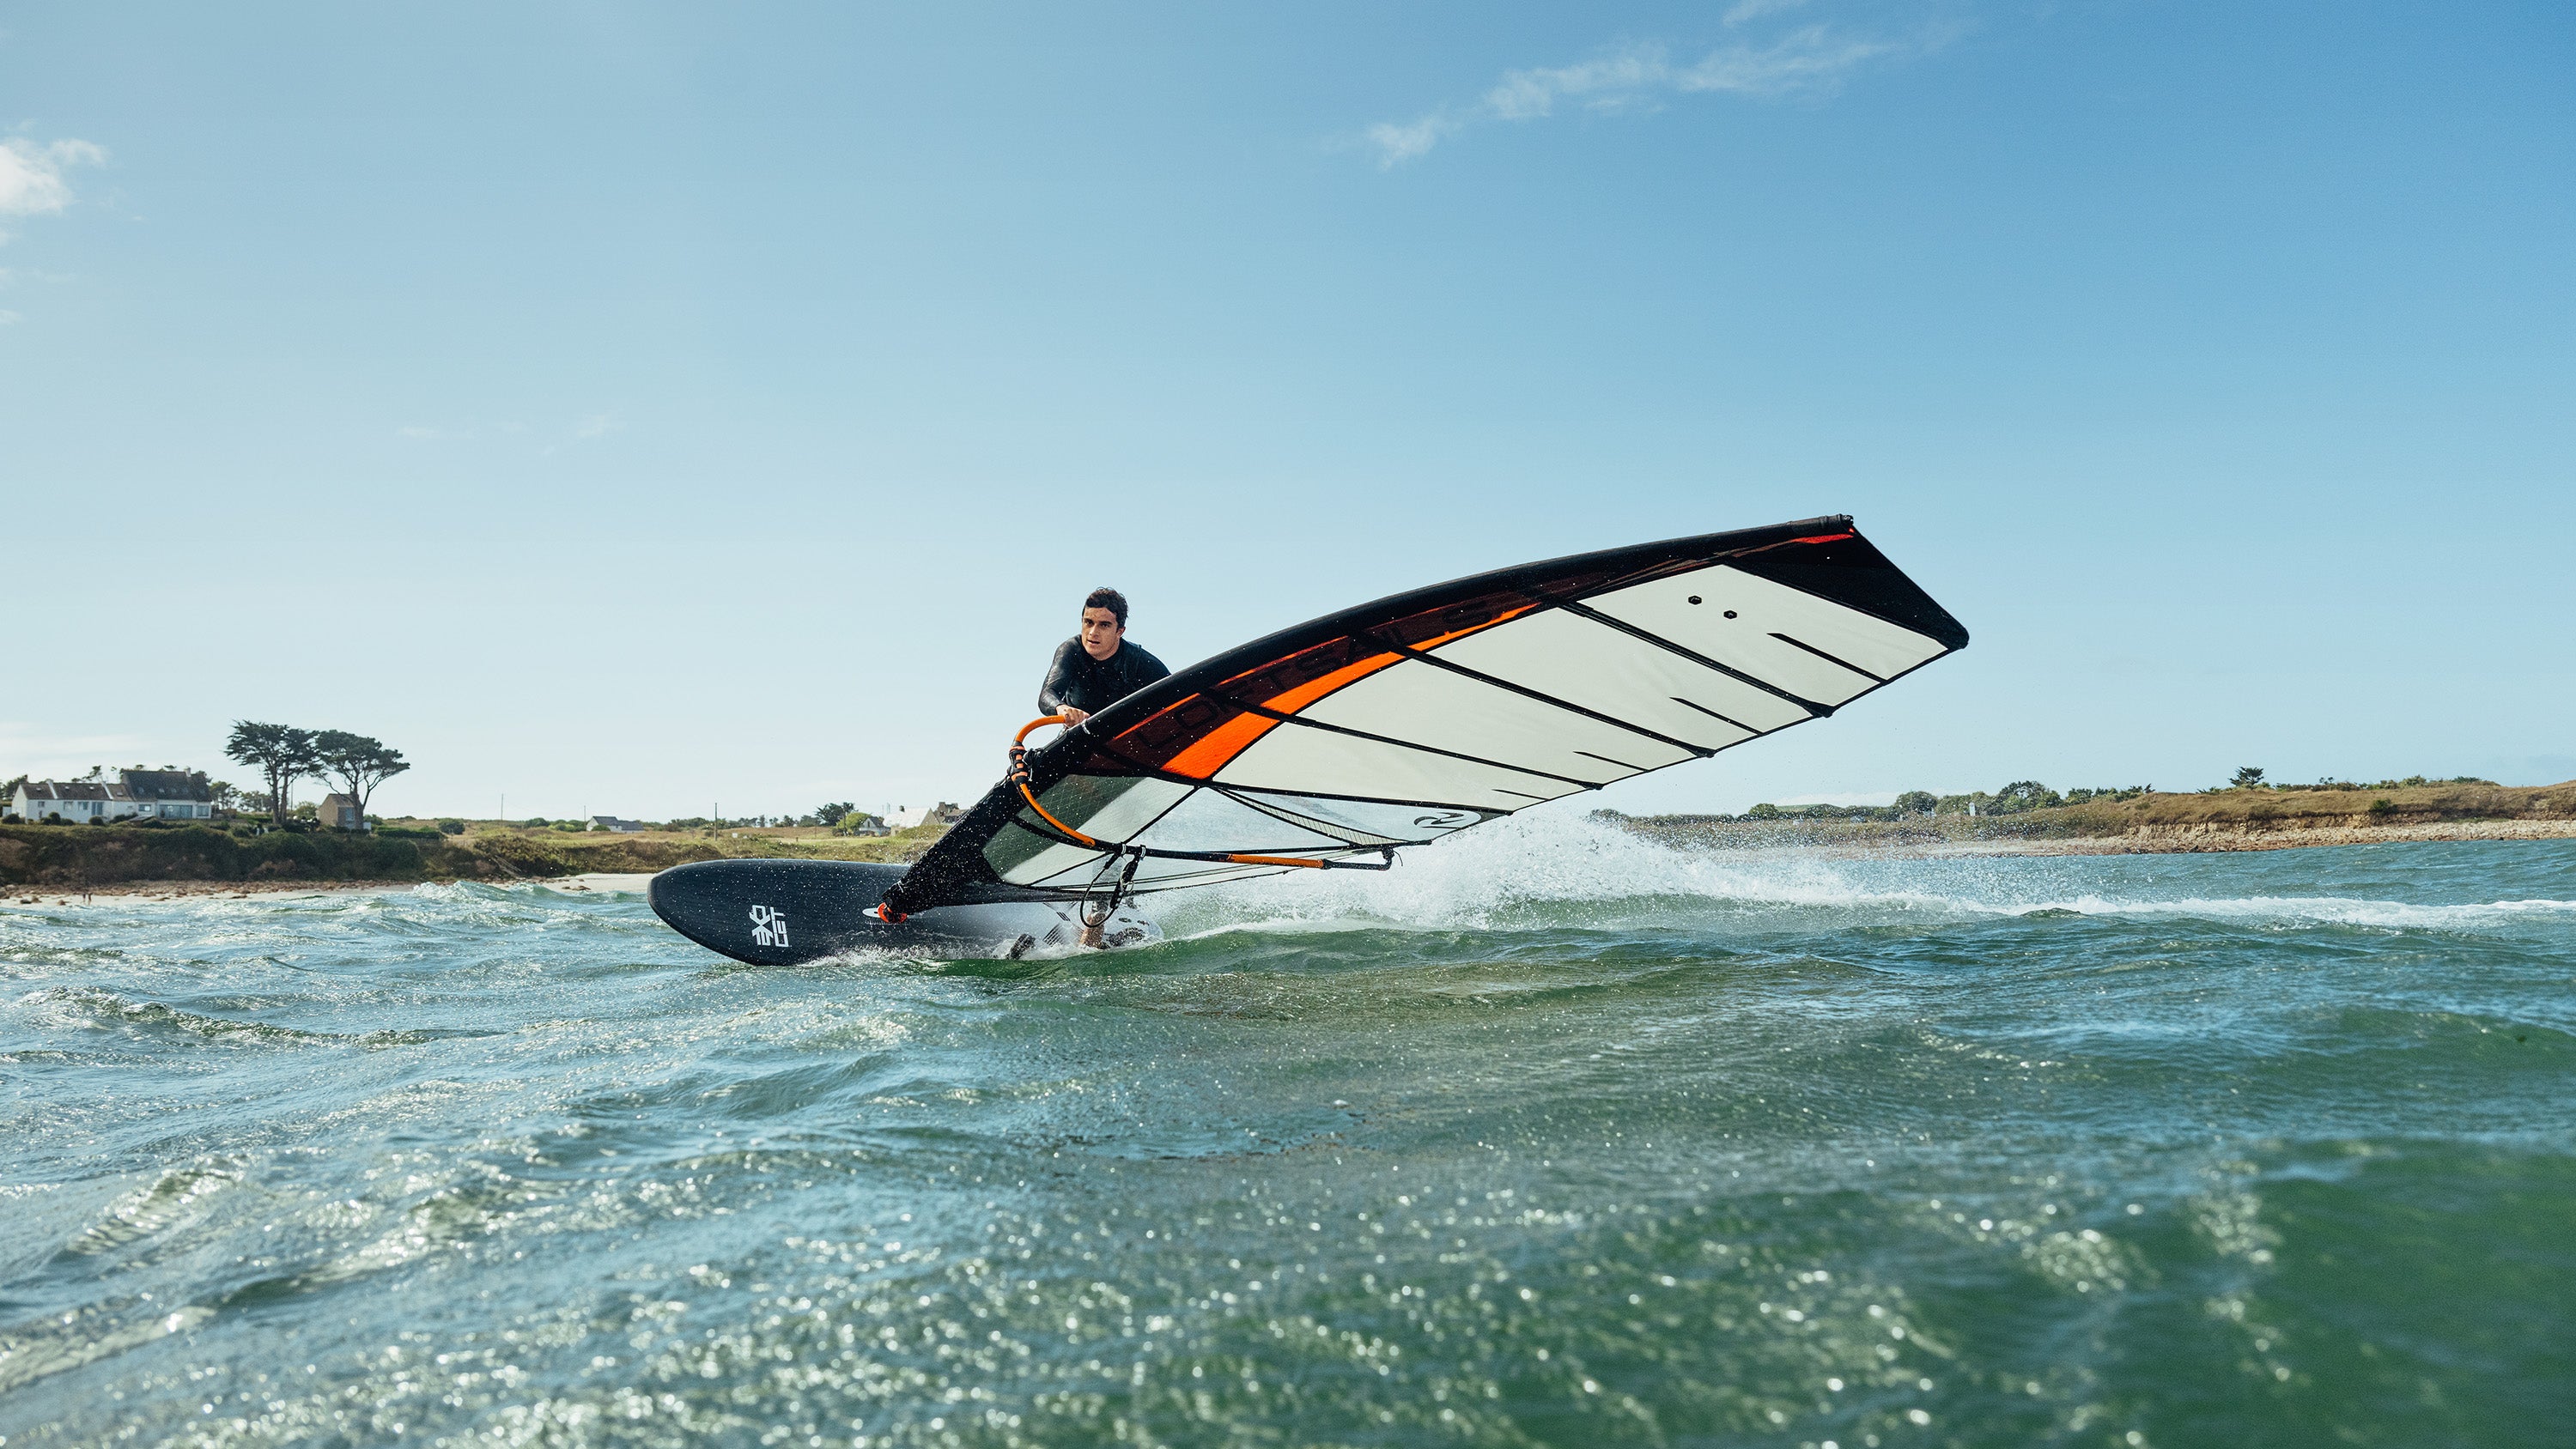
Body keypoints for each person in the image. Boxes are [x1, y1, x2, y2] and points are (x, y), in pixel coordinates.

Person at [1039, 587, 1170, 727]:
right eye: (1089, 623)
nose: (1093, 633)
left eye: (1104, 625)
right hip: (1081, 739)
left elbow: (1179, 696)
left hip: (1128, 738)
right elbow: (1047, 695)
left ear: (1120, 631)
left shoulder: (1140, 662)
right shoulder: (1071, 651)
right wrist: (1061, 708)